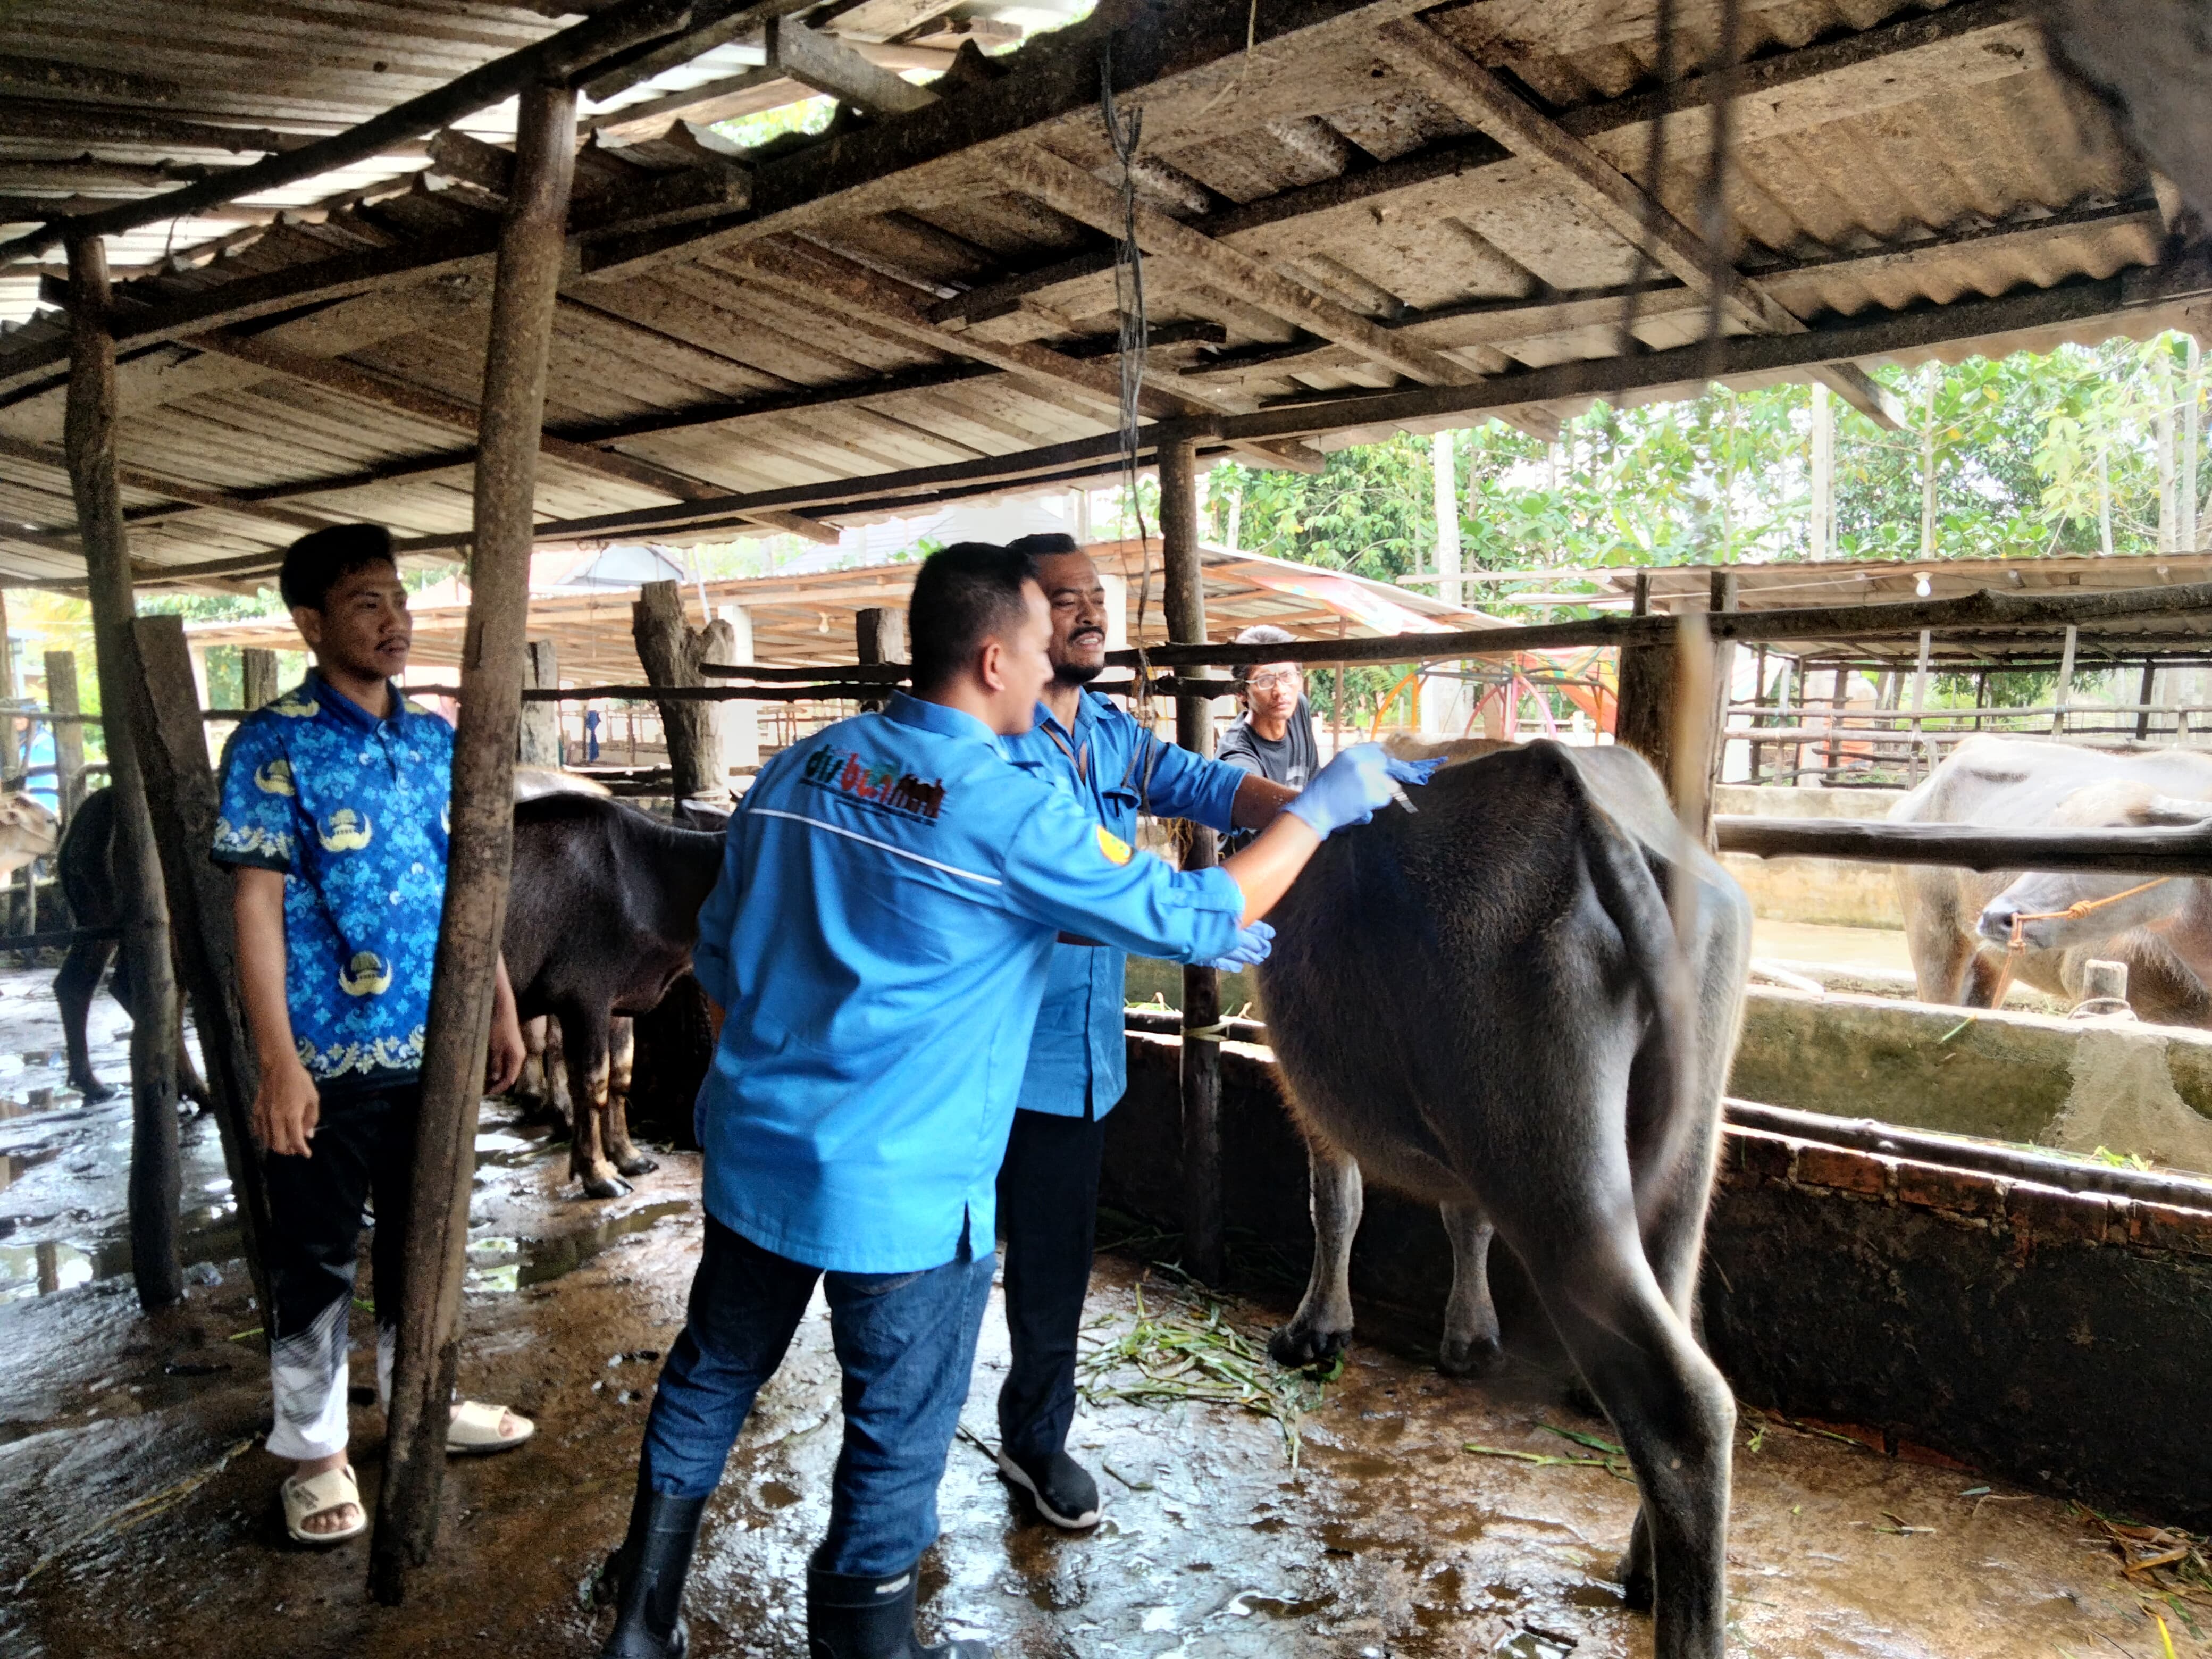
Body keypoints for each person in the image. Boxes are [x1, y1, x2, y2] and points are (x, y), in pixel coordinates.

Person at [597, 542, 1435, 1659]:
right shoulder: (998, 806)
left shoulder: (800, 770)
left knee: (710, 1375)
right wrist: (1323, 806)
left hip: (757, 1157)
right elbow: (1194, 916)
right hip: (906, 1190)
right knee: (895, 1436)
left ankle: (643, 1622)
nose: (1053, 671)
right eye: (1042, 648)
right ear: (994, 659)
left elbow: (721, 957)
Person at [211, 524, 532, 1548]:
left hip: (432, 1050)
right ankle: (313, 1450)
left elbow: (463, 888)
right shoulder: (272, 744)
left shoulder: (436, 740)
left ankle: (420, 1406)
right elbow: (254, 908)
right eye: (365, 604)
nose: (394, 620)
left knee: (427, 1244)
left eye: (399, 598)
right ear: (310, 625)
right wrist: (278, 1063)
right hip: (323, 1057)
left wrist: (500, 1001)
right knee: (315, 1257)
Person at [991, 533, 1299, 1532]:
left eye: (1099, 598)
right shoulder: (989, 742)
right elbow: (1058, 901)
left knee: (1052, 1262)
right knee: (936, 1270)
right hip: (982, 1055)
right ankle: (896, 1468)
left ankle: (1035, 1441)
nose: (1091, 614)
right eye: (1064, 598)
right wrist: (1178, 912)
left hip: (1073, 1065)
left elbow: (1206, 786)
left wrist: (1305, 811)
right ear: (1015, 620)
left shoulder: (1112, 734)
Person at [1217, 624, 1322, 853]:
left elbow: (1314, 779)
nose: (1280, 691)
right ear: (1241, 693)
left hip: (1298, 849)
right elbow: (1250, 802)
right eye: (1265, 681)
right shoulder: (1238, 756)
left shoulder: (1297, 708)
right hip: (1255, 867)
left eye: (1287, 676)